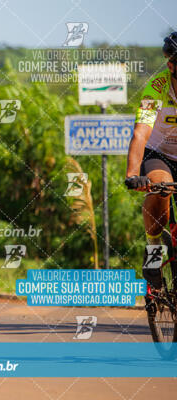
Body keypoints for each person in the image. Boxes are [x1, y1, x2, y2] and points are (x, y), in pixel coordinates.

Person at [124, 32, 177, 294]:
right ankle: (154, 250)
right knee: (161, 186)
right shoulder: (156, 88)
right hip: (159, 154)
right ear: (171, 65)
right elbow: (140, 133)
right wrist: (133, 173)